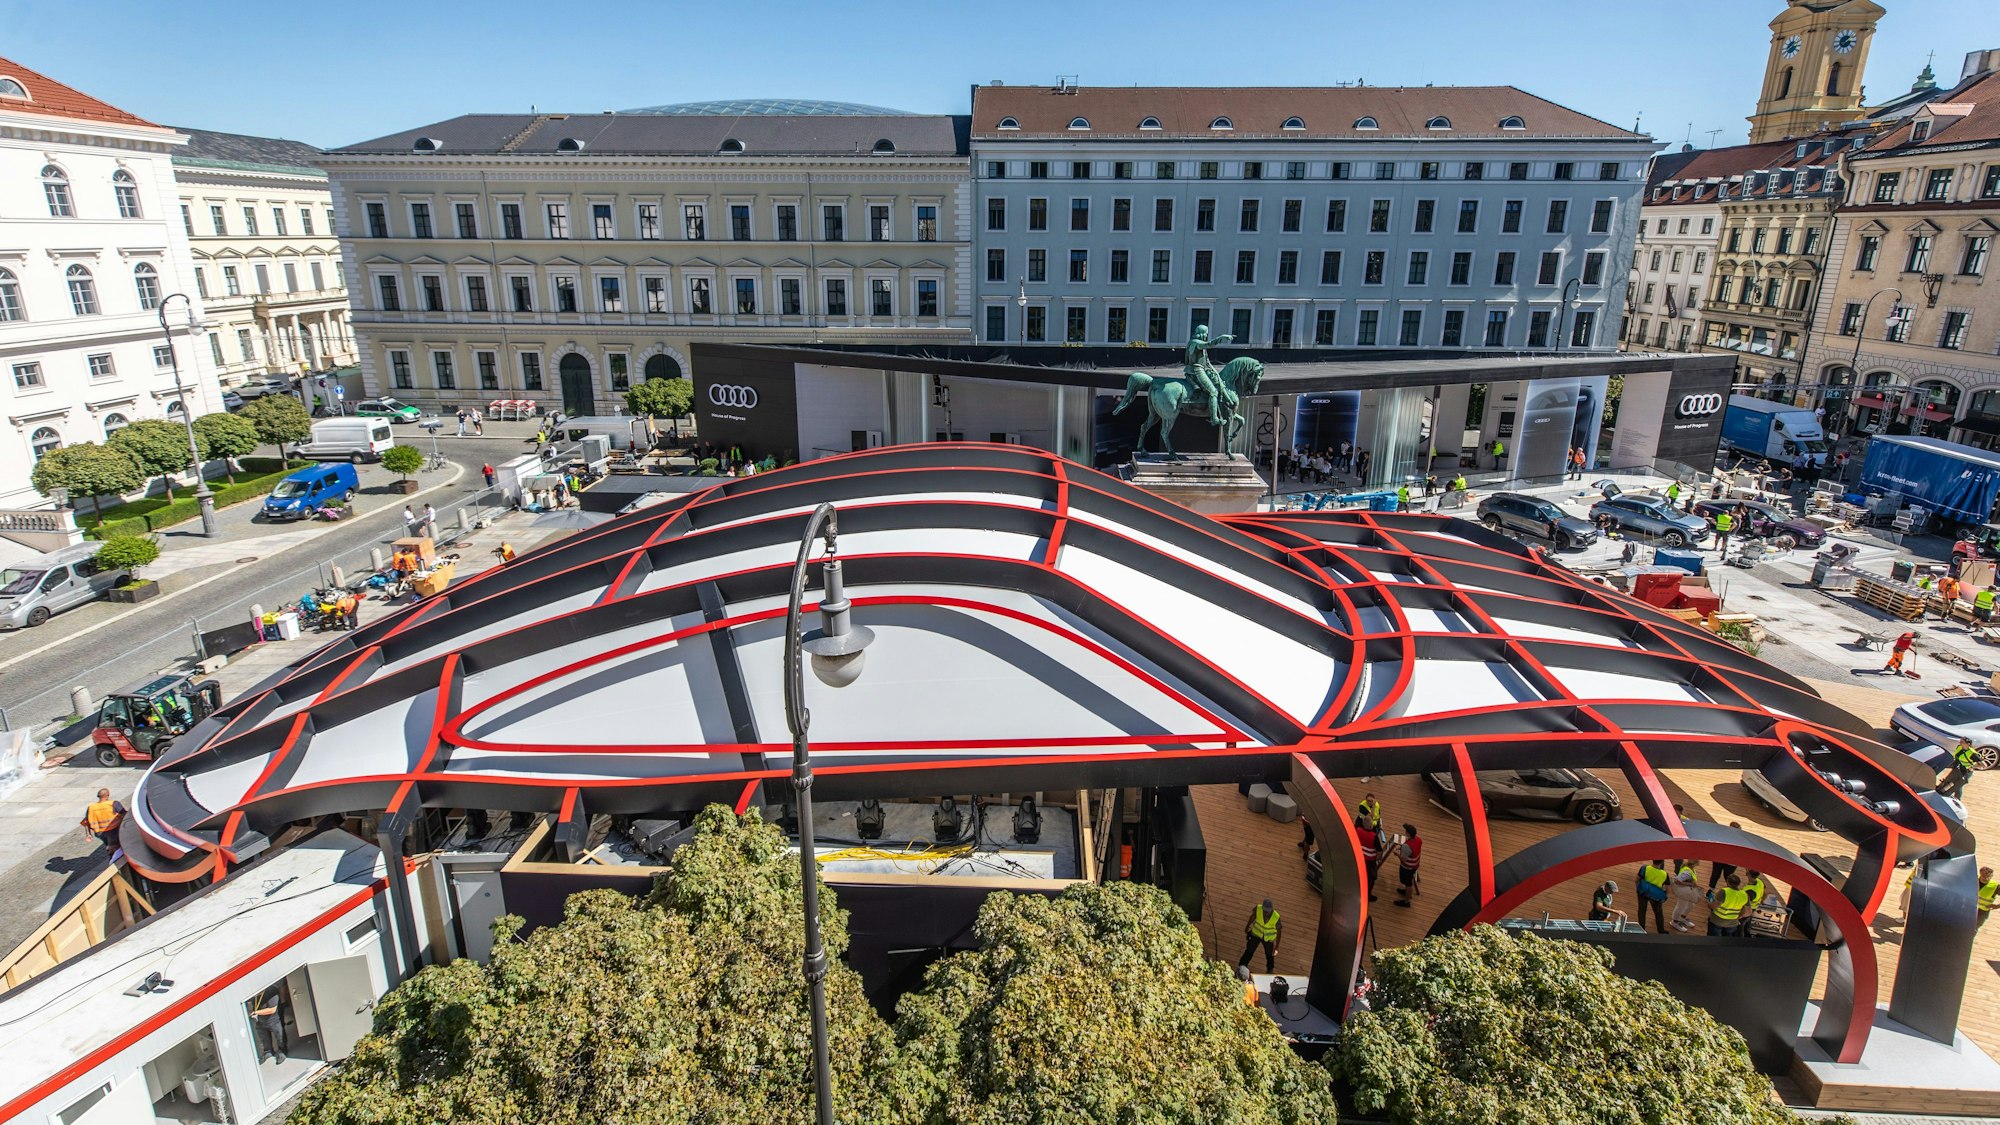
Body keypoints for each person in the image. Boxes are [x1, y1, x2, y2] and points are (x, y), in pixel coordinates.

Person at [1239, 898, 1280, 973]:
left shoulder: (1276, 916)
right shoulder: (1258, 909)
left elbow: (1279, 932)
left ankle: (1269, 971)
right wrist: (1247, 926)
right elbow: (1252, 917)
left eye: (1268, 911)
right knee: (1249, 951)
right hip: (1256, 934)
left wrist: (1276, 947)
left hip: (1268, 939)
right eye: (1265, 911)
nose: (1266, 913)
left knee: (1269, 956)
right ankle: (1242, 967)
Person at [80, 788, 125, 854]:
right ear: (108, 795)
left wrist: (88, 834)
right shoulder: (113, 804)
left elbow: (86, 822)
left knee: (110, 845)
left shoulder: (91, 807)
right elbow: (124, 814)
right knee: (114, 847)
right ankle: (114, 856)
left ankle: (112, 852)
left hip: (100, 833)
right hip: (113, 830)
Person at [252, 987, 288, 1063]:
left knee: (280, 1037)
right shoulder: (254, 996)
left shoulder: (272, 991)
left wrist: (256, 1013)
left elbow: (272, 1010)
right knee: (264, 1039)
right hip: (260, 1022)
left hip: (273, 1020)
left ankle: (283, 1051)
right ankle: (268, 1052)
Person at [1636, 859, 1671, 933]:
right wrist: (1666, 896)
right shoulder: (1664, 874)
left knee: (1642, 911)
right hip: (1656, 896)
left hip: (1643, 892)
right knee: (1658, 913)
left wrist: (1639, 888)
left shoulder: (1645, 868)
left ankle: (1641, 929)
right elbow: (1668, 889)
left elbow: (1637, 879)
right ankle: (1661, 930)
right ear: (1661, 863)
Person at [1355, 813, 1385, 901]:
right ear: (1371, 826)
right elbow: (1379, 851)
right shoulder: (1373, 836)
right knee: (1370, 879)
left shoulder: (1358, 830)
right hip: (1369, 861)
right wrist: (1378, 859)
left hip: (1359, 858)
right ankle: (1367, 896)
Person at [1392, 823, 1422, 907]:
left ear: (1408, 834)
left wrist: (1396, 854)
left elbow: (1403, 859)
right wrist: (1402, 847)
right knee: (1408, 882)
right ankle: (1407, 893)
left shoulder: (1406, 846)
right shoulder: (1418, 839)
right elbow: (1412, 849)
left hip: (1407, 867)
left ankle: (1406, 901)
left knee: (1408, 883)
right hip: (1415, 865)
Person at [1669, 864, 1703, 932]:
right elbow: (1676, 881)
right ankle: (1674, 922)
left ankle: (1682, 917)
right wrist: (1691, 884)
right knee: (1680, 906)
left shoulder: (1692, 869)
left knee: (1691, 905)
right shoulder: (1687, 872)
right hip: (1683, 891)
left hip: (1689, 891)